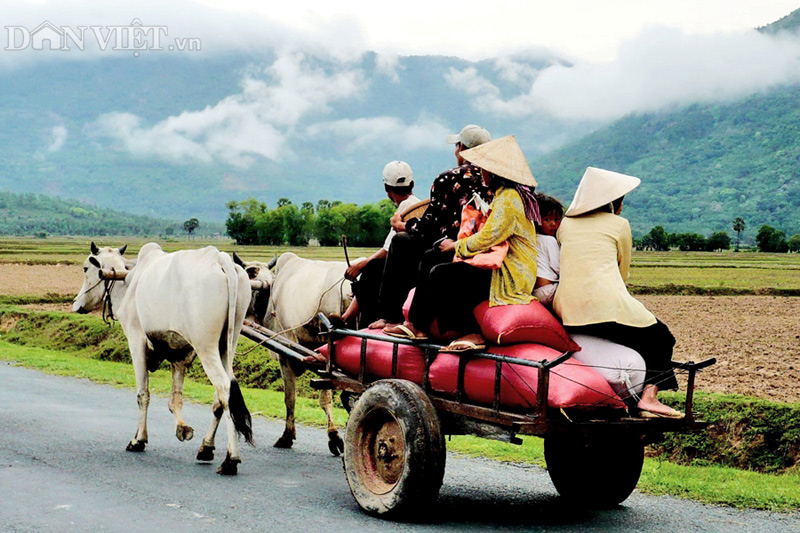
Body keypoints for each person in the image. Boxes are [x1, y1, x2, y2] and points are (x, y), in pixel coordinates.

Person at [384, 135, 539, 352]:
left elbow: (488, 237)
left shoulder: (509, 199)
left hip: (509, 271)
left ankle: (470, 331)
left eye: (484, 168)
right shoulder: (505, 194)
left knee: (443, 273)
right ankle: (417, 325)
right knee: (431, 257)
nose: (481, 173)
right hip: (498, 258)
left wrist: (455, 246)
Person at [553, 167, 682, 418]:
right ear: (613, 202)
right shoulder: (619, 224)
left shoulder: (565, 225)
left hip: (567, 309)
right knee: (662, 338)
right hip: (605, 306)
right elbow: (623, 275)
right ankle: (649, 398)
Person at [370, 124, 494, 329]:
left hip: (455, 246)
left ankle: (391, 316)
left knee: (403, 242)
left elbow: (428, 227)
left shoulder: (448, 178)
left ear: (461, 147)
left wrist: (402, 226)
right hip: (484, 245)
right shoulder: (498, 177)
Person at [338, 161, 419, 327]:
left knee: (373, 267)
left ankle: (349, 318)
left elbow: (387, 250)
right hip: (417, 269)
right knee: (372, 265)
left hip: (406, 274)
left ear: (386, 189)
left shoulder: (405, 208)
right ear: (412, 184)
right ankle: (348, 317)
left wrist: (362, 265)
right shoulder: (419, 204)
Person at [533, 194, 564, 307]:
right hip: (547, 291)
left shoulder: (532, 239)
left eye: (557, 219)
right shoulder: (549, 240)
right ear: (537, 220)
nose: (553, 224)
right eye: (548, 219)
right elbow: (558, 267)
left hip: (535, 291)